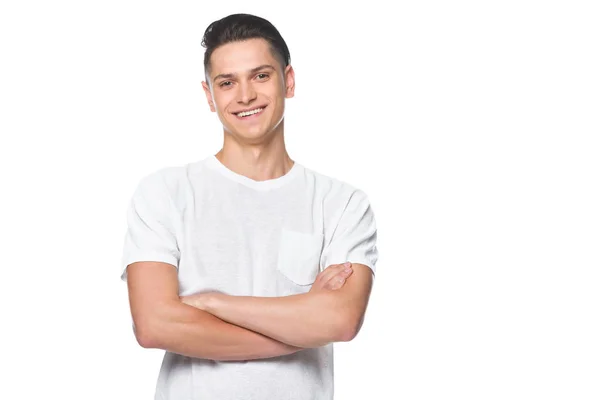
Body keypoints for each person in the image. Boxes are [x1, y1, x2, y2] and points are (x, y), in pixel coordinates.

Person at [120, 13, 379, 400]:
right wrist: (298, 326)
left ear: (288, 81)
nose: (245, 96)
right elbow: (155, 325)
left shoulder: (341, 204)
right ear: (210, 96)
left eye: (260, 76)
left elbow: (340, 320)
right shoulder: (165, 193)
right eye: (227, 83)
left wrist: (211, 302)